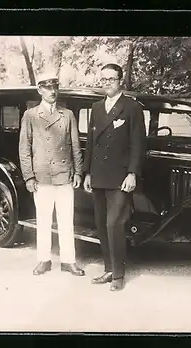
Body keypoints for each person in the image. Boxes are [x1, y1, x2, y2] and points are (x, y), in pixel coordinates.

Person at [83, 63, 147, 291]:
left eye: (111, 78)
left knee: (114, 224)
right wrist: (87, 172)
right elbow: (91, 143)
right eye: (104, 79)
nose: (107, 82)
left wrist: (132, 173)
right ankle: (108, 269)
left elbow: (138, 144)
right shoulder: (96, 107)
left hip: (120, 178)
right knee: (101, 224)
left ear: (120, 81)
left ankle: (119, 275)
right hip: (99, 176)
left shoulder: (132, 108)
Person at [19, 72, 85, 277]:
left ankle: (68, 261)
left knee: (66, 219)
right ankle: (44, 260)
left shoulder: (68, 115)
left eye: (55, 86)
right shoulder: (30, 115)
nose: (52, 91)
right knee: (44, 219)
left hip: (64, 175)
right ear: (39, 90)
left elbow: (75, 146)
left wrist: (78, 172)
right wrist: (29, 176)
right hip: (42, 177)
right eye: (47, 87)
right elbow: (24, 148)